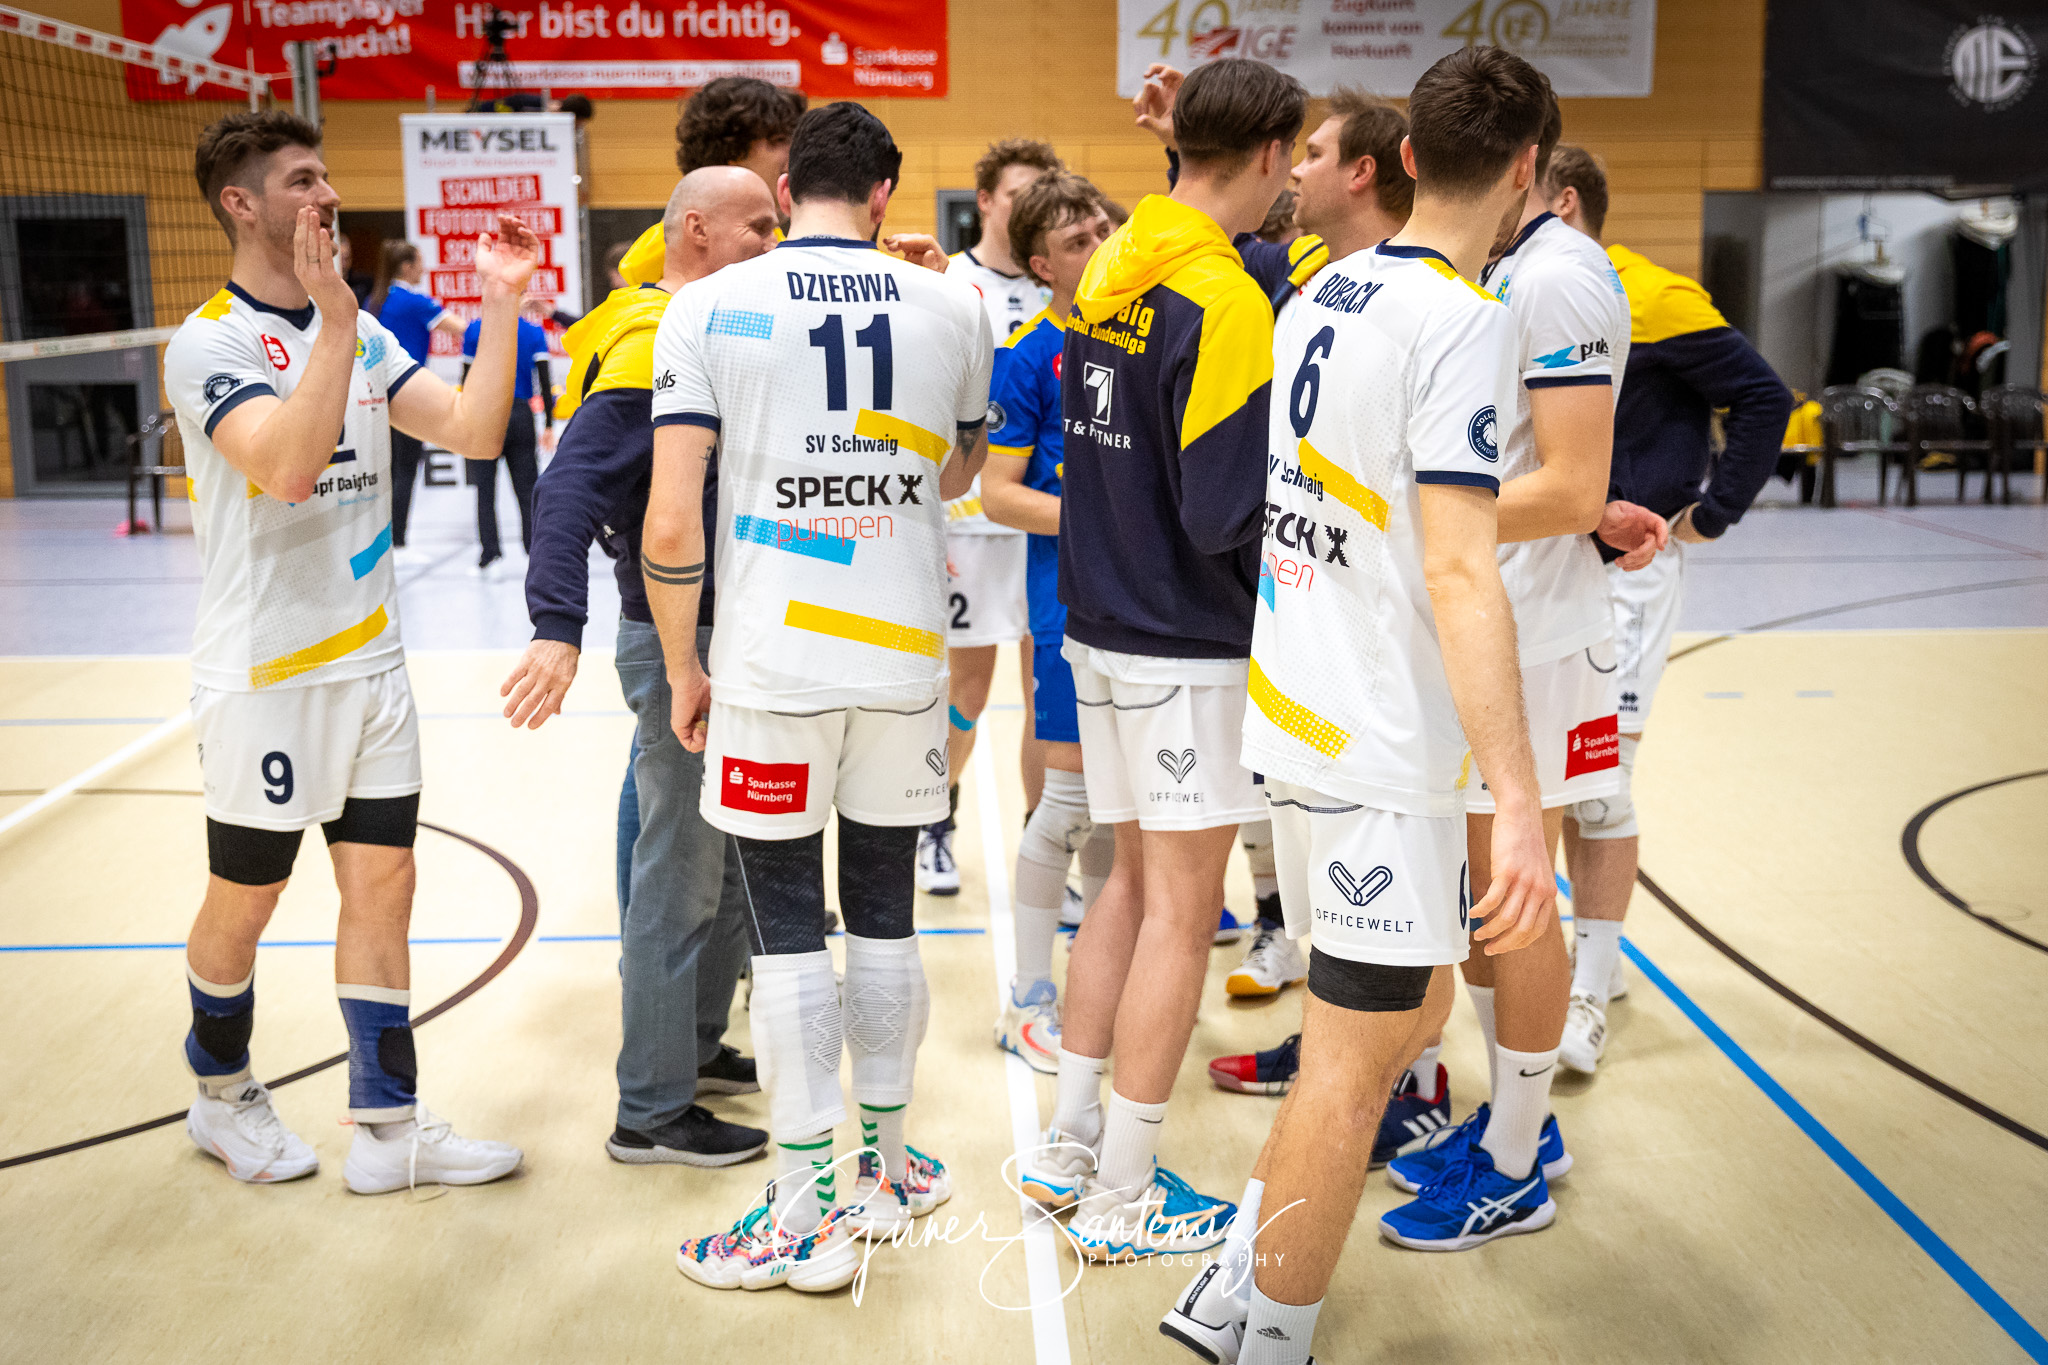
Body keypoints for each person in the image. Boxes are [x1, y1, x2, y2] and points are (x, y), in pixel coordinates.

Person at [1159, 50, 1560, 1364]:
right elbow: (1458, 566)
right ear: (1524, 169)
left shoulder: (1321, 288)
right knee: (1351, 1057)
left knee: (1412, 1012)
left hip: (1299, 709)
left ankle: (1235, 1274)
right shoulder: (1463, 319)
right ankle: (1268, 1332)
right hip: (1375, 744)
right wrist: (1516, 800)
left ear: (1407, 157)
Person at [644, 102, 993, 1292]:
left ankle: (801, 1214)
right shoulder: (955, 304)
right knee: (887, 913)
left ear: (786, 189)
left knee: (788, 930)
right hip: (902, 660)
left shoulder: (706, 306)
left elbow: (671, 520)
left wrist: (683, 665)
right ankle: (885, 1172)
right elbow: (956, 470)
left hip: (773, 666)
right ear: (885, 193)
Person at [163, 110, 538, 1193]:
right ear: (241, 203)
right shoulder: (211, 343)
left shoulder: (364, 333)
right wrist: (332, 321)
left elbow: (472, 429)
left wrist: (500, 301)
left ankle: (387, 1126)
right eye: (301, 180)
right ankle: (219, 1091)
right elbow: (286, 469)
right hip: (265, 678)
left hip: (372, 668)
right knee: (248, 898)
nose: (326, 195)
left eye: (326, 176)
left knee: (385, 888)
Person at [1016, 57, 1304, 1262]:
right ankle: (1125, 1194)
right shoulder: (1222, 300)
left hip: (1096, 627)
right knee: (1182, 915)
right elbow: (1223, 509)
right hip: (1184, 644)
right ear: (1274, 155)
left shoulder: (1115, 262)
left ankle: (1068, 1146)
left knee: (1125, 893)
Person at [1375, 79, 1668, 1242]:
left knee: (1510, 893)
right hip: (1494, 618)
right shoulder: (1501, 267)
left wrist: (1410, 513)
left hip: (1538, 637)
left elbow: (1569, 484)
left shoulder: (1557, 274)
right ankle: (1511, 1125)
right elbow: (1528, 461)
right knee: (1481, 903)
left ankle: (1514, 1161)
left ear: (1524, 165)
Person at [498, 168, 781, 1166]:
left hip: (732, 636)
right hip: (679, 642)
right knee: (681, 873)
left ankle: (691, 1049)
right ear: (695, 229)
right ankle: (652, 1111)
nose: (774, 242)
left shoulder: (716, 327)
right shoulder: (651, 338)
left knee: (731, 863)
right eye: (758, 227)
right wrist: (555, 624)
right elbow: (568, 487)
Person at [1550, 145, 1794, 1072]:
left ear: (1562, 202)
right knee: (1551, 777)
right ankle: (1597, 955)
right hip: (1545, 568)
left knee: (1600, 783)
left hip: (1630, 572)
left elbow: (1763, 395)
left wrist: (1714, 511)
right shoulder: (1524, 290)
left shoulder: (1652, 296)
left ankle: (1587, 992)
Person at [980, 171, 1117, 1073]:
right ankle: (1028, 996)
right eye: (1077, 241)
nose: (1099, 245)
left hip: (1143, 607)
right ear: (1042, 265)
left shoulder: (1138, 335)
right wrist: (1103, 523)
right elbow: (998, 493)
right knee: (1068, 804)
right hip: (1067, 597)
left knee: (1115, 812)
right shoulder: (1031, 355)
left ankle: (1101, 988)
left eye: (1103, 229)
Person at [917, 137, 1064, 898]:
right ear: (984, 202)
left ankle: (1047, 844)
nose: (1032, 205)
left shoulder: (1063, 287)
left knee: (1048, 696)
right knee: (967, 694)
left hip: (1045, 523)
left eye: (1044, 191)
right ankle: (934, 820)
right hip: (969, 524)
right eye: (1016, 194)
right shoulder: (949, 283)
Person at [617, 76, 808, 285]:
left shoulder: (776, 242)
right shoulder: (656, 264)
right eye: (778, 140)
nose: (795, 154)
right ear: (732, 152)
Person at [369, 240, 465, 553]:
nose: (423, 268)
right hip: (406, 393)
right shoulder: (415, 302)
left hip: (374, 395)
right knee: (405, 468)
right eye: (420, 262)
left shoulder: (375, 301)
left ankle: (382, 536)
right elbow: (462, 329)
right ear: (407, 267)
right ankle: (397, 537)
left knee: (385, 469)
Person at [460, 311, 550, 575]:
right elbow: (545, 381)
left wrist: (466, 420)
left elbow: (466, 381)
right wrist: (548, 423)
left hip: (485, 413)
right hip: (520, 413)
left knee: (485, 490)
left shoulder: (475, 330)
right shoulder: (532, 332)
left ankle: (490, 555)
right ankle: (536, 553)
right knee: (527, 490)